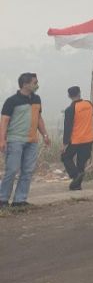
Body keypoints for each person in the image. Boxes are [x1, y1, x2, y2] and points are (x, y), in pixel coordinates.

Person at [0, 73, 50, 208]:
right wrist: (2, 140)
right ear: (25, 84)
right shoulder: (12, 101)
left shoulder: (37, 99)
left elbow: (39, 118)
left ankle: (19, 200)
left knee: (27, 171)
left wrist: (45, 135)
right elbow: (4, 121)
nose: (37, 85)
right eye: (34, 82)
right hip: (15, 140)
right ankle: (2, 199)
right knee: (12, 170)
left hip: (32, 141)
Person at [62, 85, 93, 191]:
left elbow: (67, 128)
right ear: (79, 93)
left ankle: (75, 176)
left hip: (76, 140)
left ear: (68, 96)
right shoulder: (89, 104)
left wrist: (65, 144)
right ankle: (77, 185)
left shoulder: (70, 109)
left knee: (65, 157)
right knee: (81, 162)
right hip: (89, 139)